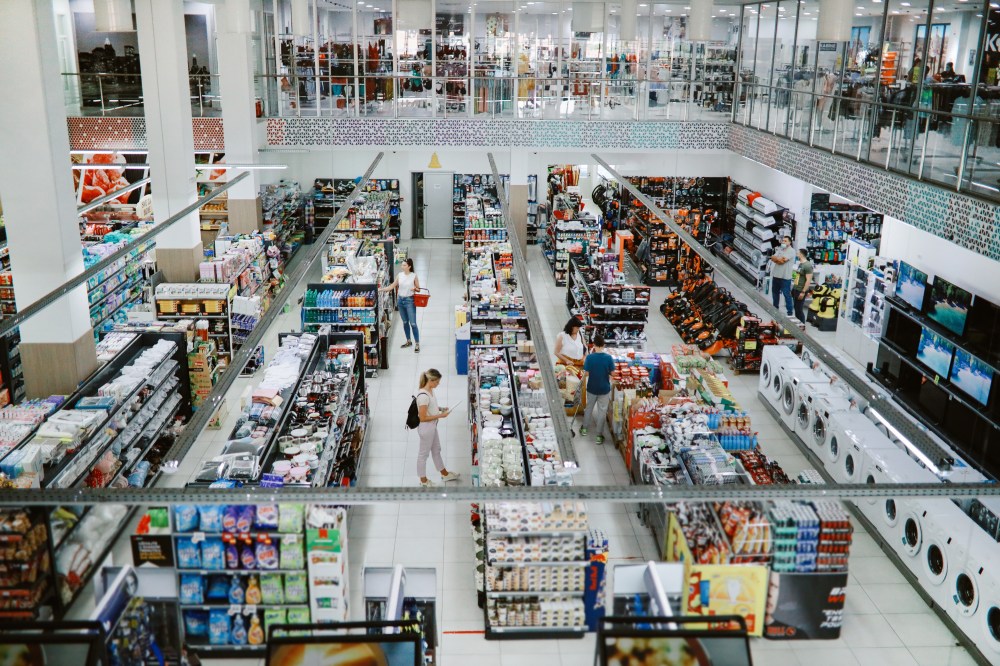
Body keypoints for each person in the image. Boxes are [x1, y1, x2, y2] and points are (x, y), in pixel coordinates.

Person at [414, 369, 460, 487]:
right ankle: (423, 481)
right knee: (423, 455)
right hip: (426, 428)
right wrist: (441, 415)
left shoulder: (430, 391)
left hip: (432, 426)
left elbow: (431, 406)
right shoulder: (423, 396)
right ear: (430, 380)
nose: (438, 384)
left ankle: (445, 474)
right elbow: (422, 418)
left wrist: (440, 408)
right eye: (437, 382)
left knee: (436, 450)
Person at [380, 257, 421, 353]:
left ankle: (417, 343)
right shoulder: (399, 275)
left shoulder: (414, 276)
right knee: (405, 322)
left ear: (409, 266)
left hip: (410, 301)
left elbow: (419, 288)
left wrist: (414, 289)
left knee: (413, 323)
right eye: (402, 265)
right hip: (400, 301)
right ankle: (408, 341)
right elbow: (391, 286)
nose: (402, 267)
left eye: (404, 265)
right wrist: (381, 289)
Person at [581, 335, 615, 445]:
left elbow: (586, 373)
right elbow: (613, 373)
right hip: (604, 389)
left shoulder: (590, 358)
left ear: (594, 345)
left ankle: (584, 429)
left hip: (591, 387)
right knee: (602, 412)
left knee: (589, 408)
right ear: (604, 345)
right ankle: (599, 435)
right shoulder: (609, 358)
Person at [769, 236, 796, 318]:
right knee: (775, 293)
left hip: (785, 277)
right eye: (782, 241)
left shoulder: (791, 251)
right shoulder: (780, 249)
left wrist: (776, 259)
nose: (783, 242)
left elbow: (781, 262)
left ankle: (790, 312)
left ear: (789, 242)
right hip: (776, 275)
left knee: (786, 295)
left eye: (785, 241)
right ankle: (775, 308)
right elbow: (772, 257)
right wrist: (777, 259)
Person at [791, 248, 813, 324]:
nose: (797, 254)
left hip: (801, 290)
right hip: (796, 288)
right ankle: (798, 325)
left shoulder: (808, 265)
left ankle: (802, 325)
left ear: (801, 254)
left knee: (799, 310)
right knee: (796, 309)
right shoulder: (801, 264)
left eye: (798, 253)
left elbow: (808, 280)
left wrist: (803, 292)